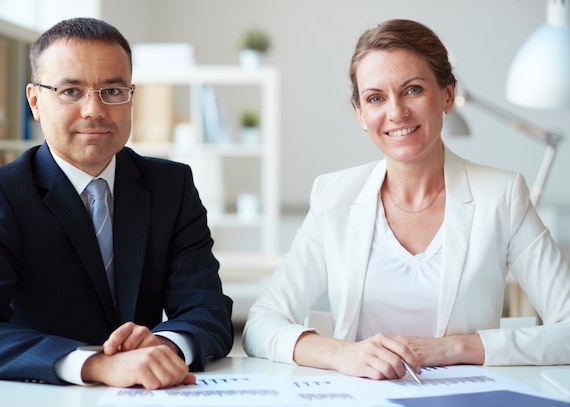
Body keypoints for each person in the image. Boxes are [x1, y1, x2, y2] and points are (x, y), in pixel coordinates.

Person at [242, 19, 570, 381]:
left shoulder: (502, 195)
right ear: (361, 114)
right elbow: (260, 325)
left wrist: (456, 347)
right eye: (376, 98)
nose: (396, 112)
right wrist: (342, 353)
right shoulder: (333, 196)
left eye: (413, 90)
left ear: (447, 95)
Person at [0, 17, 233, 389]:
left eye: (112, 91)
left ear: (131, 98)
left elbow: (207, 310)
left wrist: (161, 347)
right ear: (35, 101)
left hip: (146, 395)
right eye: (70, 91)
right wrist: (96, 364)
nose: (94, 110)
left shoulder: (170, 186)